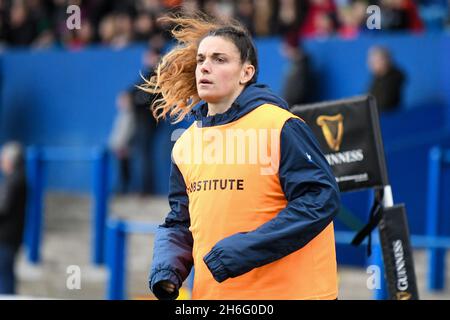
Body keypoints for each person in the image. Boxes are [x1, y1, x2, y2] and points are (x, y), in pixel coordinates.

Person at [140, 13, 340, 300]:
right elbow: (179, 221)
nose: (204, 67)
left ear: (246, 73)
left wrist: (241, 252)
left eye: (219, 59)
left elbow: (320, 199)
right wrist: (167, 269)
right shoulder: (185, 143)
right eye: (201, 60)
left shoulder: (280, 125)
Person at [0, 142, 27, 295]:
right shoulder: (15, 179)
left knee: (5, 281)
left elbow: (4, 208)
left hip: (6, 239)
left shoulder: (14, 181)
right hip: (9, 238)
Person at [108, 93, 136, 194]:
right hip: (119, 148)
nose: (119, 103)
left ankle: (125, 189)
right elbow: (117, 132)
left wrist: (121, 145)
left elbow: (127, 133)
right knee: (121, 169)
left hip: (124, 149)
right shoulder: (122, 115)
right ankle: (122, 188)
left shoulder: (129, 116)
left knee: (125, 170)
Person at [367, 45, 406, 113]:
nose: (371, 64)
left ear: (385, 60)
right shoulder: (376, 78)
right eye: (371, 61)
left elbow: (385, 104)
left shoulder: (395, 78)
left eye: (375, 61)